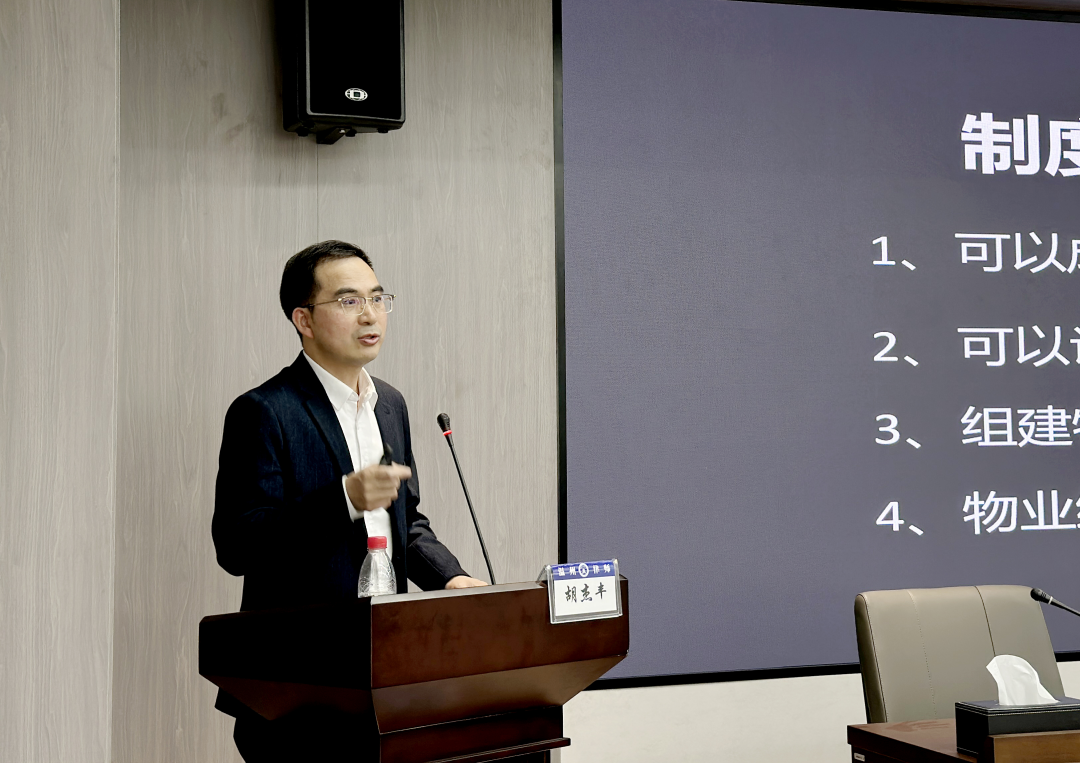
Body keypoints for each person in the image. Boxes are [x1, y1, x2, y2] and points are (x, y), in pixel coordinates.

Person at [212, 240, 486, 761]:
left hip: (386, 678)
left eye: (378, 298)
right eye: (348, 300)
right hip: (297, 689)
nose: (370, 314)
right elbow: (238, 543)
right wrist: (342, 498)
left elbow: (405, 522)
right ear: (304, 320)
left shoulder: (391, 405)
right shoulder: (264, 411)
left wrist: (450, 579)